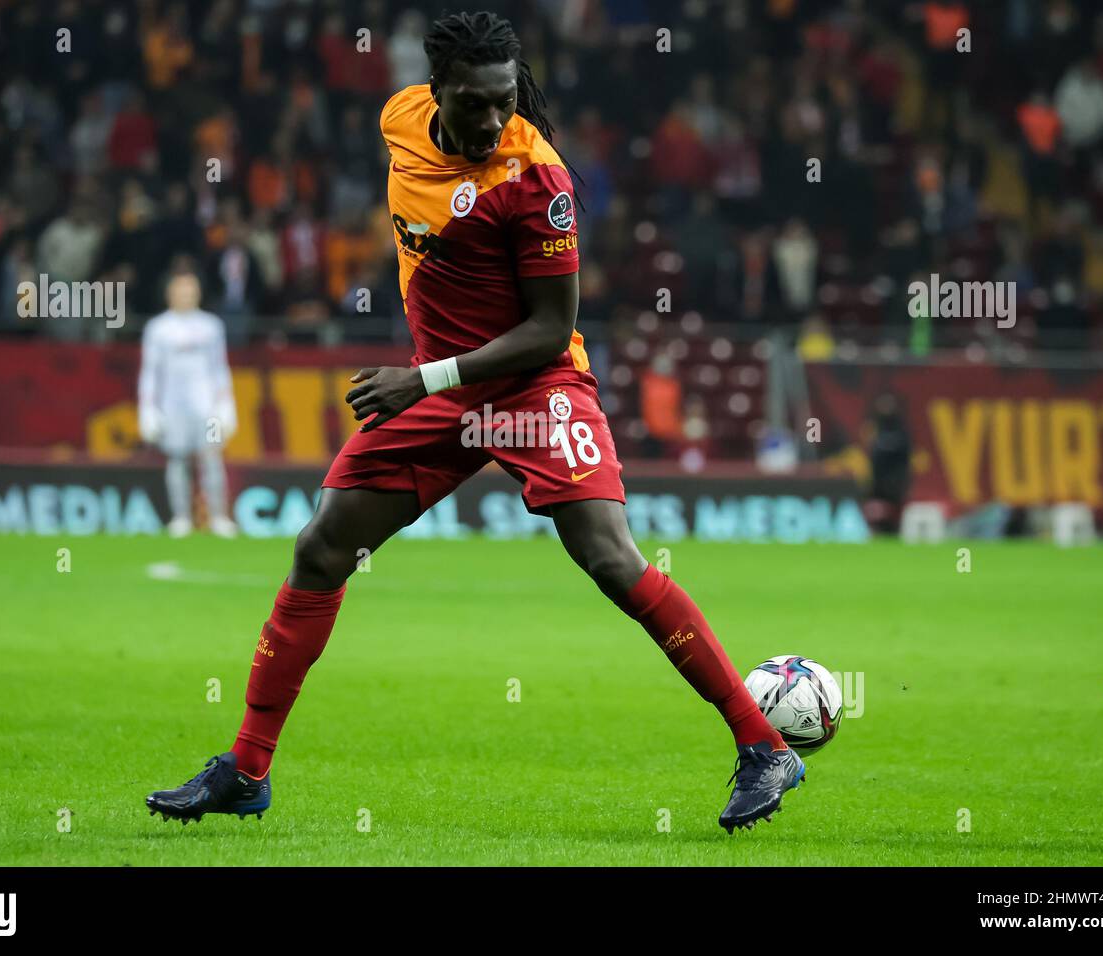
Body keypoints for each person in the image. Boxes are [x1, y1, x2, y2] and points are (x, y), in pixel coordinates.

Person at [146, 10, 804, 833]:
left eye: (504, 101)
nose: (492, 119)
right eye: (474, 103)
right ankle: (247, 769)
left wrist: (424, 376)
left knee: (608, 556)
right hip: (443, 396)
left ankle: (763, 746)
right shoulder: (398, 121)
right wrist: (433, 381)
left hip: (533, 385)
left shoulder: (539, 181)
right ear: (436, 92)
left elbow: (546, 324)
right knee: (321, 547)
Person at [138, 270, 238, 538]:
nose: (186, 295)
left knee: (212, 458)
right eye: (181, 290)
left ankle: (218, 518)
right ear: (170, 293)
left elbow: (219, 368)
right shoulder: (158, 328)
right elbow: (150, 372)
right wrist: (148, 409)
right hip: (173, 406)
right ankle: (181, 518)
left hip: (207, 406)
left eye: (190, 290)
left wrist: (226, 405)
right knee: (177, 458)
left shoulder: (211, 326)